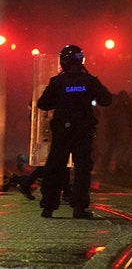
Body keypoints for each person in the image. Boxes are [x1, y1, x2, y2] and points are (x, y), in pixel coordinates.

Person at [37, 44, 113, 219]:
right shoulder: (90, 81)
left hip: (62, 131)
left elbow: (43, 104)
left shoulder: (57, 82)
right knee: (82, 170)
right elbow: (106, 100)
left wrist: (61, 100)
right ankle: (79, 207)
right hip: (83, 131)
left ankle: (49, 206)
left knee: (55, 168)